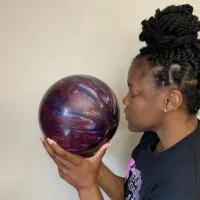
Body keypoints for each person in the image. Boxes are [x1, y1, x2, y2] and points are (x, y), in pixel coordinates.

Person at [41, 4, 200, 200]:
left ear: (169, 101)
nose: (124, 100)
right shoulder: (155, 137)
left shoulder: (184, 186)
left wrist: (86, 187)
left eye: (133, 93)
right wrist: (90, 164)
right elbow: (133, 194)